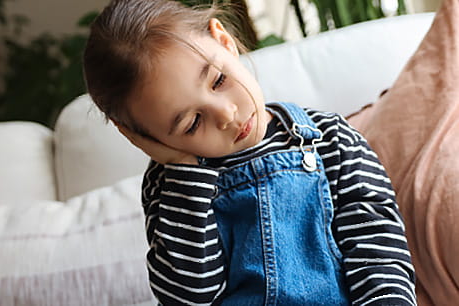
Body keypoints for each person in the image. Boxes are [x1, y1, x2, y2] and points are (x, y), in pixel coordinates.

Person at [83, 0, 416, 305]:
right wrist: (183, 175)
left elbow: (380, 256)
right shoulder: (171, 189)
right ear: (142, 138)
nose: (226, 115)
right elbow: (188, 297)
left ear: (225, 42)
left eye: (218, 80)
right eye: (192, 123)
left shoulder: (333, 140)